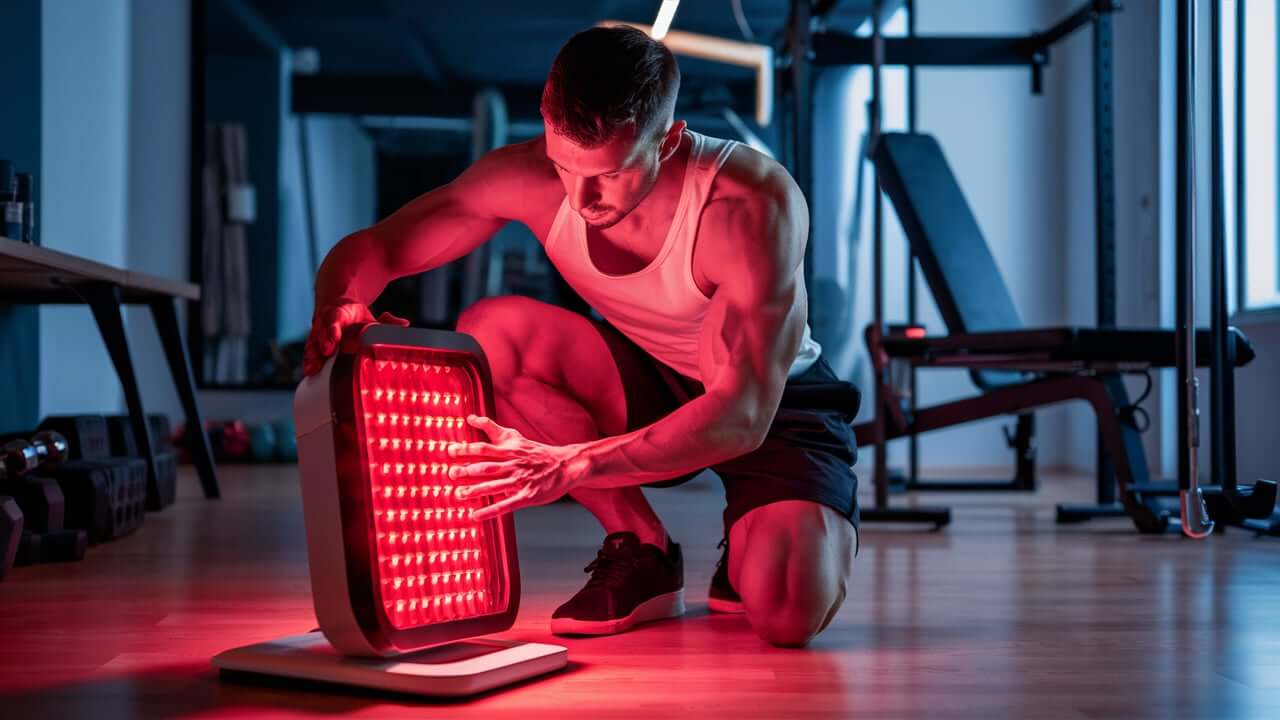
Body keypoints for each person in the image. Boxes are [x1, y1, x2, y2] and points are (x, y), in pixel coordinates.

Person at [303, 25, 859, 648]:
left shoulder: (748, 202)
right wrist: (338, 302)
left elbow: (740, 418)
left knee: (786, 612)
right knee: (494, 331)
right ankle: (643, 548)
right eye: (566, 164)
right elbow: (382, 246)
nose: (583, 195)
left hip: (770, 402)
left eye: (612, 173)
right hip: (649, 374)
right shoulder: (527, 175)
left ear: (668, 140)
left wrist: (574, 462)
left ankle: (755, 532)